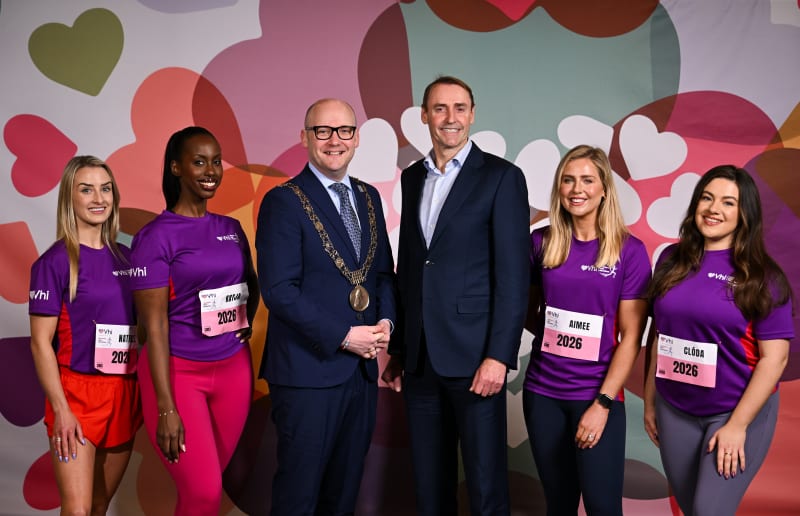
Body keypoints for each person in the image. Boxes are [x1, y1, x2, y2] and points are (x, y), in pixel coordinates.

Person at [381, 76, 530, 515]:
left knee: (485, 488)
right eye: (440, 108)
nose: (451, 118)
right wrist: (400, 348)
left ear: (472, 113)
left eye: (460, 108)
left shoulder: (502, 178)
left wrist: (499, 356)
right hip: (421, 359)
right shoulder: (411, 178)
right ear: (424, 116)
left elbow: (513, 277)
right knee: (430, 488)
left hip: (475, 358)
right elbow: (409, 266)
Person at [256, 98, 396, 515]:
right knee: (299, 495)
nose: (334, 140)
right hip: (306, 374)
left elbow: (383, 275)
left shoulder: (369, 197)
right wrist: (344, 336)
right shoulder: (283, 201)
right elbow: (279, 290)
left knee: (343, 493)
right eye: (323, 131)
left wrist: (386, 321)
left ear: (356, 139)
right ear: (305, 138)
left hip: (361, 373)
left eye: (345, 131)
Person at [643, 165, 793, 515]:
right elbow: (659, 336)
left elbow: (776, 359)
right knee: (690, 506)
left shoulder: (761, 276)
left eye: (728, 202)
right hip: (674, 409)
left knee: (709, 511)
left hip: (735, 411)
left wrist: (737, 425)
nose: (713, 209)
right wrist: (651, 402)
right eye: (707, 198)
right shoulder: (670, 259)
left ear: (744, 214)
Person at [130, 127, 258, 515]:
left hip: (234, 372)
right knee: (203, 493)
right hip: (177, 374)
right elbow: (152, 327)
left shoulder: (230, 229)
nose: (211, 170)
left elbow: (251, 285)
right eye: (199, 161)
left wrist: (242, 322)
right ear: (176, 167)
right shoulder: (154, 237)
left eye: (216, 161)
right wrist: (166, 407)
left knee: (205, 491)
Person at [522, 145, 651, 515]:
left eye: (587, 180)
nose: (577, 189)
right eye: (568, 180)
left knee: (602, 506)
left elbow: (632, 337)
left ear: (604, 189)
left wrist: (603, 403)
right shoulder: (541, 243)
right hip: (542, 393)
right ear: (559, 188)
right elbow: (527, 310)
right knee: (558, 504)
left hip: (596, 394)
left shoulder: (629, 252)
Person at [29, 155, 142, 515]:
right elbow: (39, 343)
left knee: (98, 506)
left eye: (105, 188)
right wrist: (61, 410)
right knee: (76, 510)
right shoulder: (54, 262)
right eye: (87, 189)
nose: (98, 198)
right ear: (70, 198)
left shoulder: (129, 259)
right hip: (76, 396)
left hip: (123, 392)